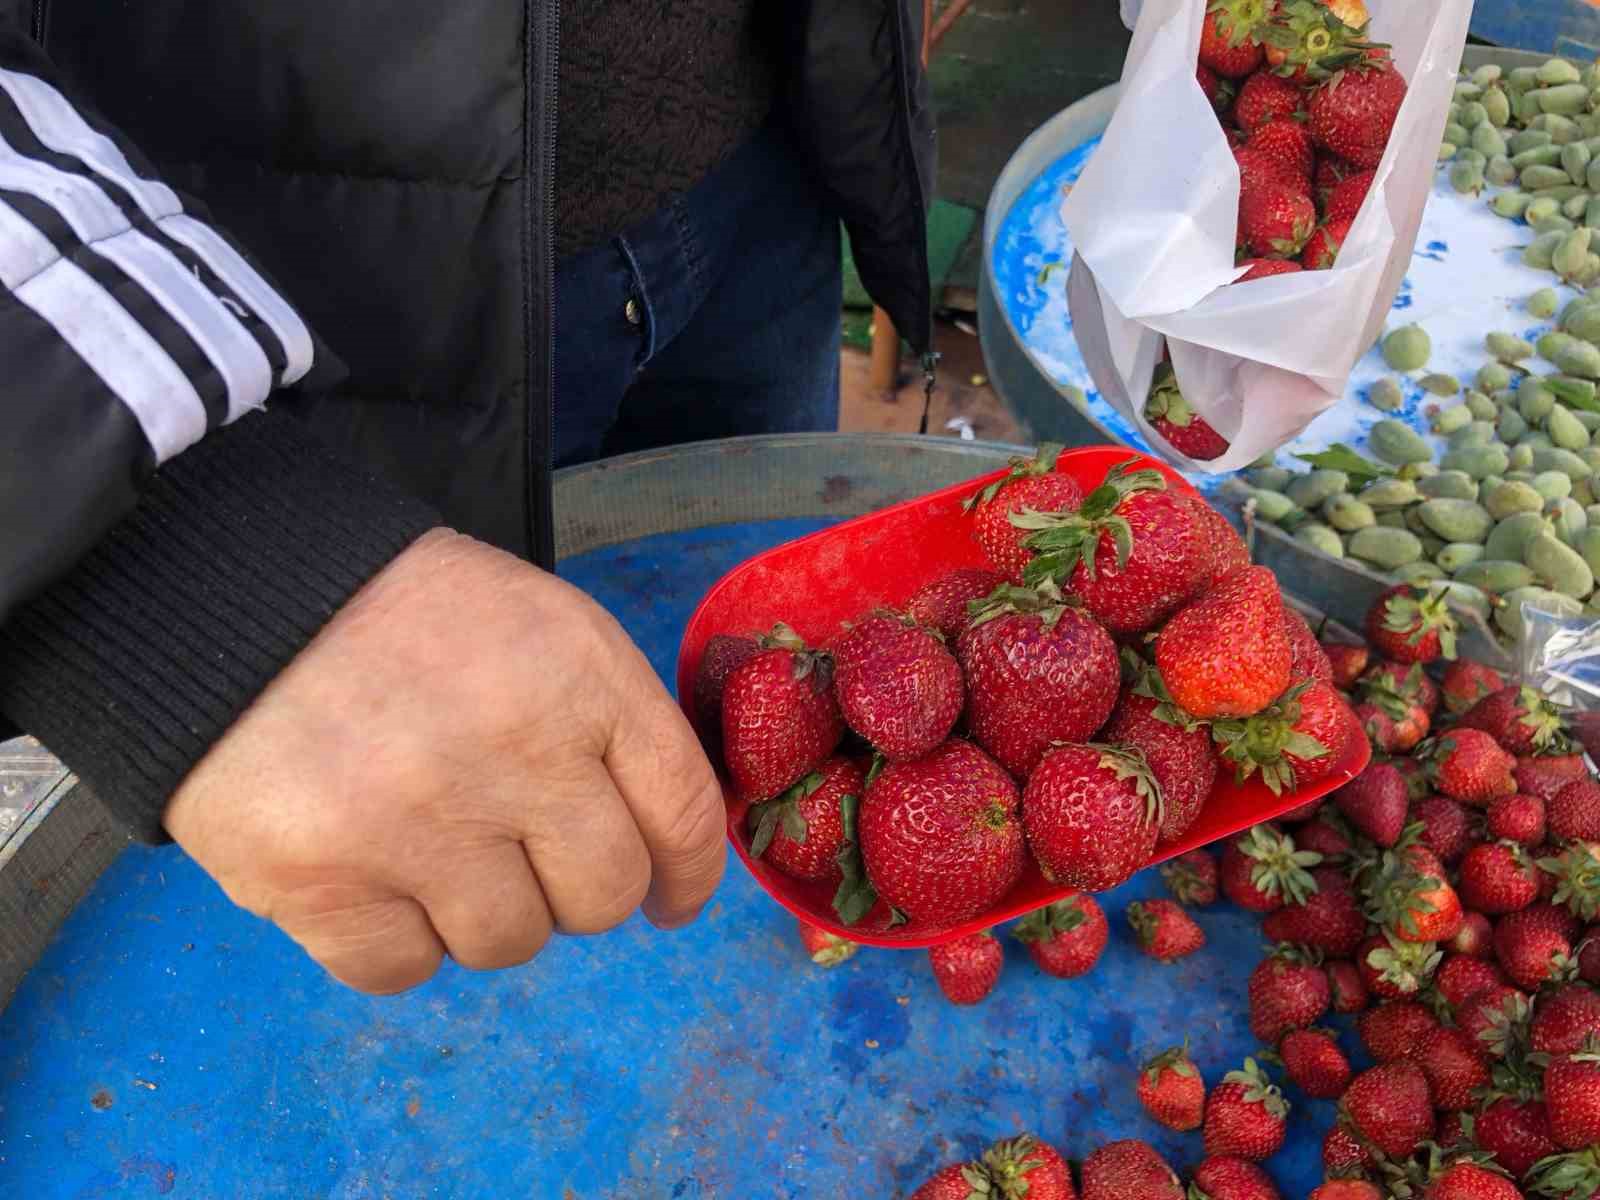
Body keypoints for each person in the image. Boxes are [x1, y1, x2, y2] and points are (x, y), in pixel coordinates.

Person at [0, 4, 935, 994]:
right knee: (436, 864)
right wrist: (171, 562)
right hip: (298, 271)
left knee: (747, 675)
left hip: (763, 152)